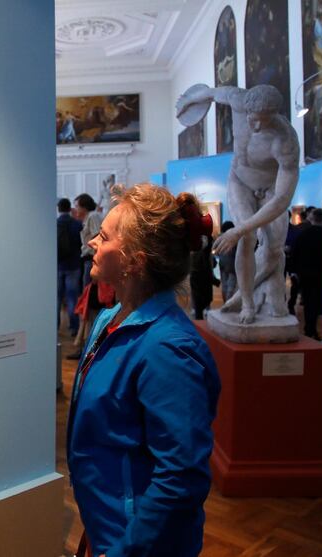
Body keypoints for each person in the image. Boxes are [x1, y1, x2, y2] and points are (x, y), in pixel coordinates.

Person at [67, 184, 220, 557]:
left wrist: (125, 549)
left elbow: (180, 476)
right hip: (109, 526)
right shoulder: (110, 319)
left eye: (103, 237)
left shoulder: (169, 350)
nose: (92, 245)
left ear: (135, 261)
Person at [177, 84, 299, 324]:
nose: (253, 126)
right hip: (240, 181)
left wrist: (237, 229)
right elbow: (210, 93)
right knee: (247, 239)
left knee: (273, 249)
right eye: (251, 118)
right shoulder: (237, 100)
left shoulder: (285, 142)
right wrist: (186, 103)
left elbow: (282, 200)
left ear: (274, 115)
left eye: (261, 121)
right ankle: (247, 303)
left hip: (271, 191)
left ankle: (266, 295)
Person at [67, 193, 105, 359]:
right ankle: (85, 344)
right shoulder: (90, 217)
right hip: (88, 262)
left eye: (78, 205)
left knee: (90, 305)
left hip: (91, 261)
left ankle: (89, 346)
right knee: (86, 305)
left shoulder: (93, 216)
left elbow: (98, 239)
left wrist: (97, 269)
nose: (76, 209)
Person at [292, 208, 322, 340]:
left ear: (312, 219)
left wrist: (294, 272)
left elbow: (295, 254)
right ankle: (316, 329)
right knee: (320, 301)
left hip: (306, 274)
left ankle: (309, 328)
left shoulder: (304, 234)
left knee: (308, 302)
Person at [58, 197, 83, 337]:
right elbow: (82, 243)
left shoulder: (54, 224)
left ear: (58, 209)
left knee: (56, 297)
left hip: (57, 266)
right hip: (73, 265)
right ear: (69, 209)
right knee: (72, 297)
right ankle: (74, 327)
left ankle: (54, 326)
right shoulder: (77, 224)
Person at [190, 234, 219, 320]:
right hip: (202, 281)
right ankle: (203, 311)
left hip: (197, 280)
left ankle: (198, 313)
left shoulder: (194, 252)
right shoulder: (204, 254)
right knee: (202, 302)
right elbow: (209, 267)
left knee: (198, 305)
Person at [218, 221, 238, 304]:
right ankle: (228, 303)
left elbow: (217, 251)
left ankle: (225, 303)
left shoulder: (220, 238)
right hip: (232, 265)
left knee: (224, 285)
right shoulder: (233, 239)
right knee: (231, 286)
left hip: (222, 264)